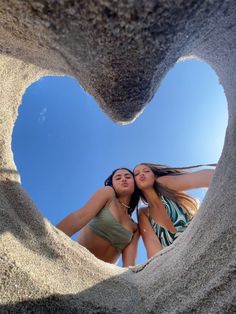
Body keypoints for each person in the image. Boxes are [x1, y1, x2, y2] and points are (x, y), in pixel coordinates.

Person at [56, 168, 140, 267]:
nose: (123, 179)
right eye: (118, 178)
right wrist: (49, 236)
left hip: (102, 277)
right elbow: (80, 216)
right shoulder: (108, 194)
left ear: (135, 182)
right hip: (74, 262)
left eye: (128, 177)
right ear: (112, 184)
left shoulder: (135, 227)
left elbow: (129, 264)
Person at [133, 163, 216, 258]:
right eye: (136, 174)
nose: (141, 174)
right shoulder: (143, 213)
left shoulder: (163, 183)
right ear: (135, 182)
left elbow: (205, 177)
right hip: (180, 261)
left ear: (154, 176)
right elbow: (154, 252)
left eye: (146, 171)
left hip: (206, 240)